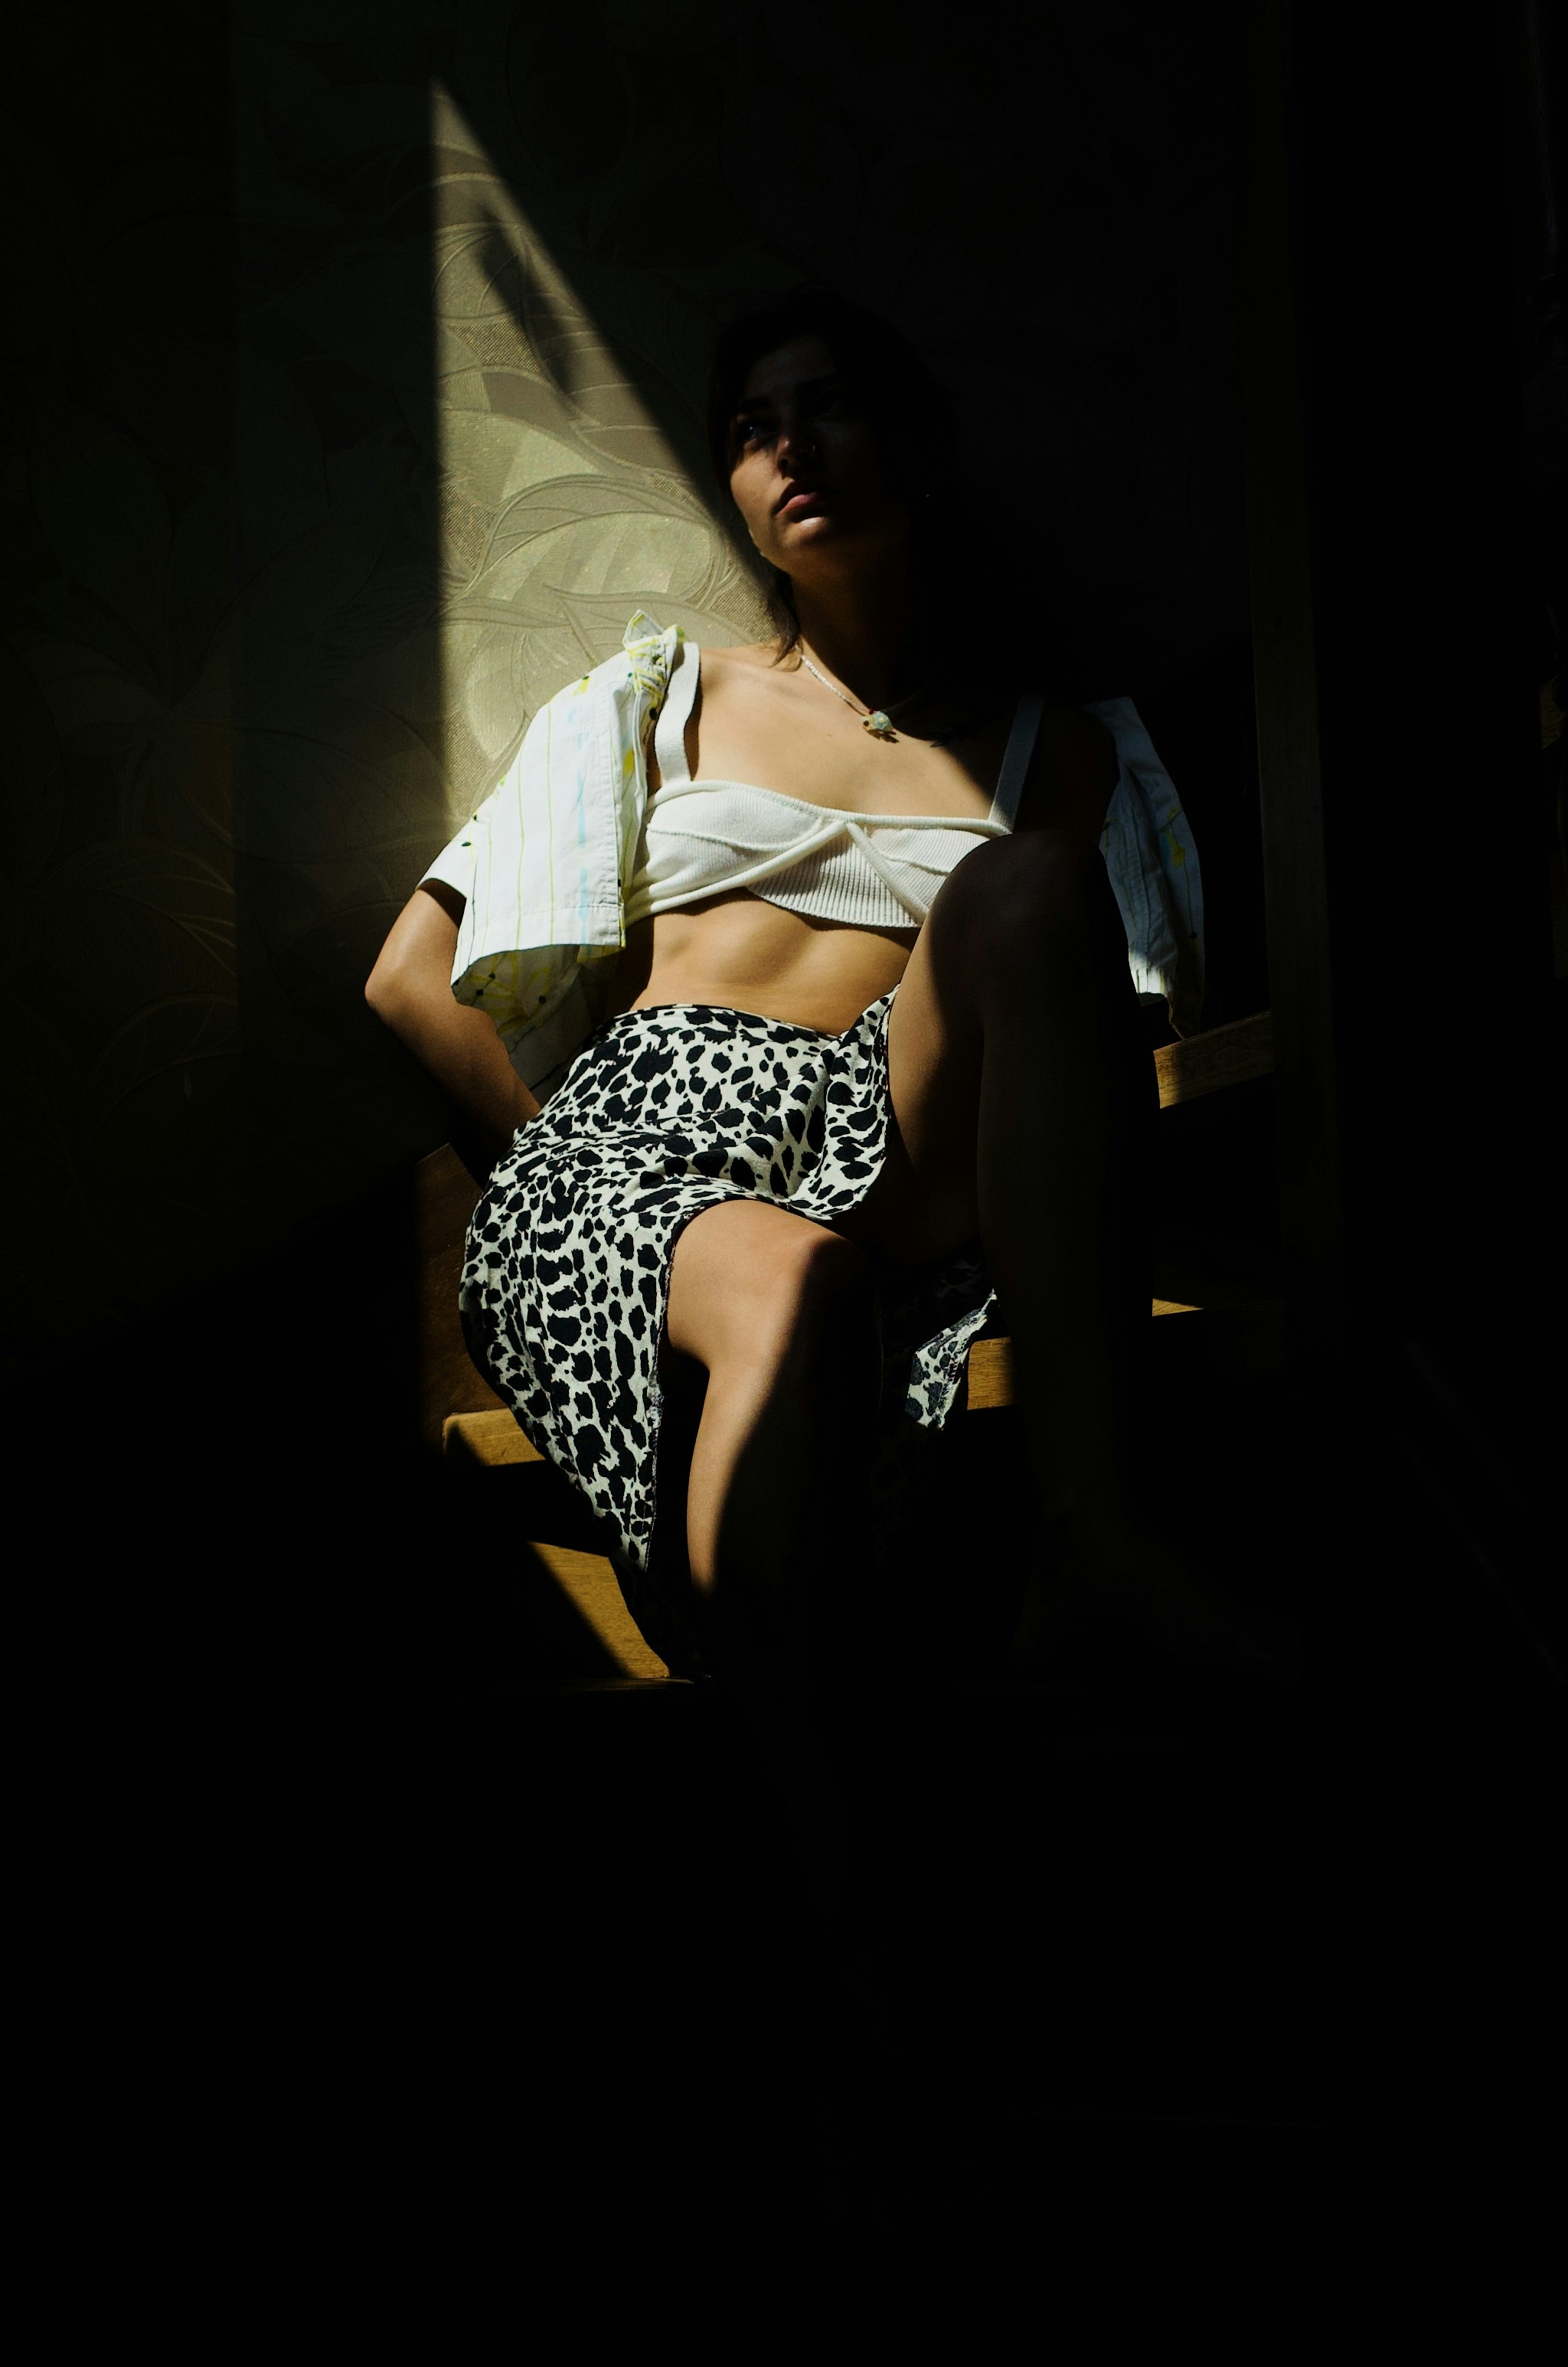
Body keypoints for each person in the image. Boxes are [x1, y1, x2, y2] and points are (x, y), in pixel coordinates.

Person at [366, 287, 1211, 1689]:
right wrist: (575, 1182)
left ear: (917, 448)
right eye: (753, 431)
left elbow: (1079, 1034)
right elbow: (412, 975)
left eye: (828, 407)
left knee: (1037, 884)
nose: (790, 448)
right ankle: (782, 1740)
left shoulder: (1051, 746)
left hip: (886, 1131)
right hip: (648, 1139)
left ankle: (1093, 1537)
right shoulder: (662, 696)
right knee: (789, 1283)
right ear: (741, 496)